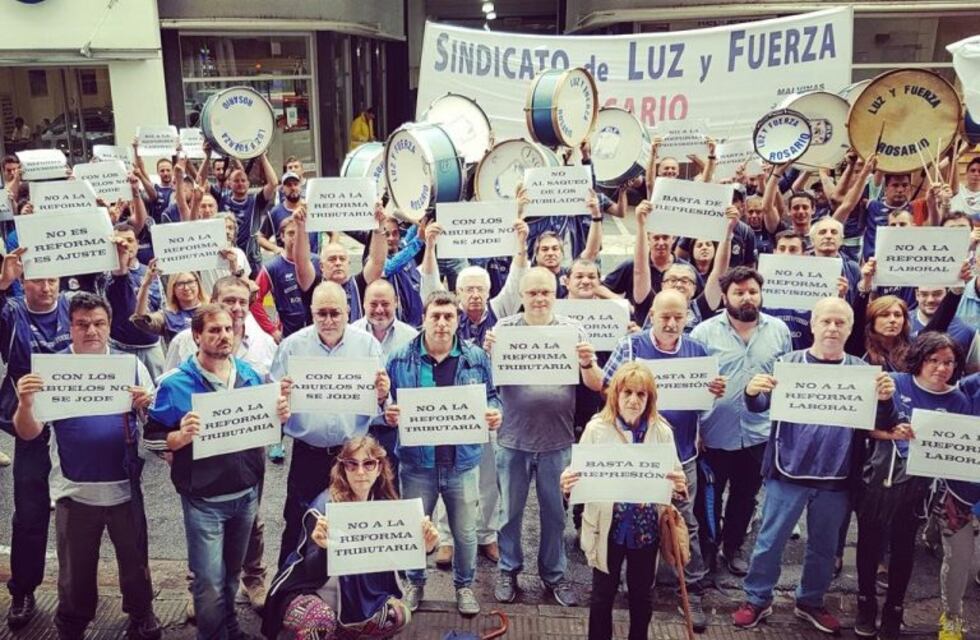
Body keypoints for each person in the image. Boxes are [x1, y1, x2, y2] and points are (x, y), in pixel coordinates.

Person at [732, 297, 897, 635]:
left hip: (836, 475)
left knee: (823, 547)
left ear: (850, 329)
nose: (833, 328)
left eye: (840, 323)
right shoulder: (788, 364)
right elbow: (759, 407)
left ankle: (810, 600)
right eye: (826, 321)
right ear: (813, 324)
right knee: (770, 540)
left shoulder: (862, 373)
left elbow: (881, 422)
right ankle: (757, 598)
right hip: (787, 468)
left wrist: (886, 399)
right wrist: (751, 391)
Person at [12, 293, 161, 639]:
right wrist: (24, 402)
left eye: (98, 323)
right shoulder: (51, 370)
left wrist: (145, 406)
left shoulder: (132, 366)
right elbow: (29, 431)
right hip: (74, 492)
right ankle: (72, 624)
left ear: (109, 326)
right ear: (70, 327)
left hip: (125, 489)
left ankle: (141, 614)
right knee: (75, 574)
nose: (91, 330)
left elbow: (155, 426)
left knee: (136, 566)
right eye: (82, 324)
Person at [146, 304, 291, 640]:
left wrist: (279, 418)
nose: (223, 336)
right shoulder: (174, 384)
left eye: (228, 329)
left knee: (230, 575)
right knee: (208, 581)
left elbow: (266, 432)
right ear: (197, 336)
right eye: (214, 330)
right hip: (203, 502)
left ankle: (230, 627)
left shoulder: (250, 376)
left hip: (245, 496)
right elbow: (151, 439)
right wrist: (179, 437)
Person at [595, 289, 726, 630]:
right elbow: (607, 387)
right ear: (651, 314)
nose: (670, 323)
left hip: (678, 455)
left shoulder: (697, 351)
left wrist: (712, 394)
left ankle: (689, 589)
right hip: (623, 459)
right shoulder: (630, 347)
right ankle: (629, 582)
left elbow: (702, 407)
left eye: (678, 317)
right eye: (664, 316)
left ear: (687, 318)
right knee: (615, 531)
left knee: (682, 524)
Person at [382, 290, 503, 615]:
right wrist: (388, 412)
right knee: (415, 530)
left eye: (448, 316)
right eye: (435, 315)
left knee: (464, 533)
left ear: (457, 320)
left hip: (462, 463)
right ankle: (415, 583)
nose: (441, 322)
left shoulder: (475, 357)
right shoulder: (399, 358)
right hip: (416, 463)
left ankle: (464, 587)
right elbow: (383, 402)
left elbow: (493, 396)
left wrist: (494, 411)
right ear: (423, 319)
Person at [486, 266, 601, 607]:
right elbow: (486, 378)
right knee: (510, 512)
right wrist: (489, 351)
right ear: (521, 296)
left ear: (555, 294)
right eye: (532, 293)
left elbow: (596, 384)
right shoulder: (503, 331)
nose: (539, 299)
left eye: (545, 292)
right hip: (512, 439)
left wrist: (587, 362)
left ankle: (554, 574)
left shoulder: (573, 330)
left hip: (557, 440)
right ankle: (508, 570)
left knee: (555, 514)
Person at [854, 332, 972, 639]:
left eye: (949, 362)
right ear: (919, 359)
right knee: (869, 542)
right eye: (934, 360)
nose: (941, 368)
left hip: (919, 488)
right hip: (880, 479)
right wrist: (892, 434)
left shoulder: (957, 399)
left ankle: (894, 608)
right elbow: (864, 428)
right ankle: (865, 603)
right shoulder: (894, 382)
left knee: (904, 548)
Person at [262, 436, 437, 639]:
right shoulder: (323, 509)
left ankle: (344, 631)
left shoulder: (386, 505)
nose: (360, 472)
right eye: (352, 465)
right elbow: (311, 571)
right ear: (343, 468)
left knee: (397, 615)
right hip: (311, 590)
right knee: (319, 621)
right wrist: (322, 548)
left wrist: (427, 545)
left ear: (379, 468)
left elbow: (400, 553)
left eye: (369, 463)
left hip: (355, 595)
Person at [560, 362, 687, 640]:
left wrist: (679, 485)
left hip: (646, 530)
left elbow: (676, 478)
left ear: (649, 399)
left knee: (642, 597)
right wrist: (567, 482)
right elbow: (577, 474)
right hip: (607, 527)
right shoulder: (596, 429)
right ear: (615, 395)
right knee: (602, 596)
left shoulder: (662, 431)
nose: (633, 400)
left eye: (641, 395)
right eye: (627, 392)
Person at [270, 281, 390, 569]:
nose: (328, 320)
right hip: (308, 454)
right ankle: (288, 592)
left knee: (351, 528)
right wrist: (280, 400)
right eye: (320, 313)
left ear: (349, 311)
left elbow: (383, 405)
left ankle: (347, 596)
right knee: (299, 522)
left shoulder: (368, 345)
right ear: (311, 313)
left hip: (352, 458)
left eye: (334, 313)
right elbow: (272, 406)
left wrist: (384, 394)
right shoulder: (292, 347)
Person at [689, 267, 792, 575]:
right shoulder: (703, 333)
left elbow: (785, 382)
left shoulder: (779, 330)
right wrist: (695, 429)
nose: (747, 297)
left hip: (759, 434)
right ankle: (708, 549)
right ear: (725, 297)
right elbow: (691, 387)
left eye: (752, 291)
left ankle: (733, 547)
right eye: (739, 292)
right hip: (714, 433)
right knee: (709, 497)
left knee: (745, 497)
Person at [0, 248, 73, 629]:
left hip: (76, 420)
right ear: (23, 280)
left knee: (99, 511)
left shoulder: (74, 305)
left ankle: (108, 597)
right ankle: (24, 590)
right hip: (29, 421)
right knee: (29, 513)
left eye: (53, 280)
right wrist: (2, 281)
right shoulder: (12, 311)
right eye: (38, 279)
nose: (46, 287)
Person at [294, 203, 387, 323]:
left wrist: (379, 226)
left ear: (348, 264)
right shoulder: (313, 285)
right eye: (332, 259)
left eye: (342, 259)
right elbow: (301, 263)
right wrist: (300, 226)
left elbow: (377, 262)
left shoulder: (358, 285)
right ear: (321, 266)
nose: (338, 263)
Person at [132, 262, 207, 345]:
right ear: (173, 289)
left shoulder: (211, 308)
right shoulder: (167, 316)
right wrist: (145, 285)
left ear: (198, 284)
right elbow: (141, 320)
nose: (186, 288)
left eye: (190, 282)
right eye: (180, 284)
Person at [351, 279, 417, 357]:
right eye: (373, 304)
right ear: (364, 303)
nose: (379, 310)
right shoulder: (350, 336)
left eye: (385, 304)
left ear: (396, 302)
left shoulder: (412, 338)